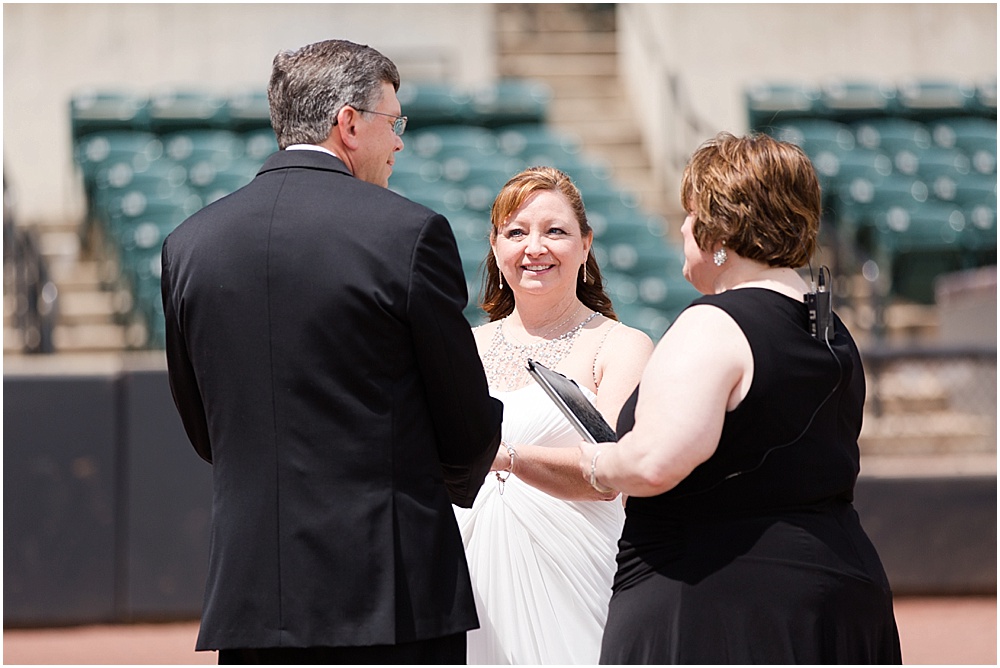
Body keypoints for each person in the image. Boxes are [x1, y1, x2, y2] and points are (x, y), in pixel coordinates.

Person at [161, 39, 503, 664]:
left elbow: (205, 428)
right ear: (349, 123)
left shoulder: (189, 244)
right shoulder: (408, 233)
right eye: (392, 122)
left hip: (255, 601)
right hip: (389, 596)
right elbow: (467, 427)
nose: (399, 141)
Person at [579, 132, 902, 664]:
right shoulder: (831, 328)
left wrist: (581, 459)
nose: (683, 227)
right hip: (837, 595)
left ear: (719, 229)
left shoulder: (714, 323)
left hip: (722, 606)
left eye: (690, 214)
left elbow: (654, 463)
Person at [454, 166, 654, 664]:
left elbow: (609, 474)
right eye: (516, 232)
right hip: (469, 579)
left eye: (556, 232)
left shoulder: (620, 346)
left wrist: (505, 458)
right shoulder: (464, 348)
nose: (534, 247)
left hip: (578, 577)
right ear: (496, 247)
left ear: (585, 246)